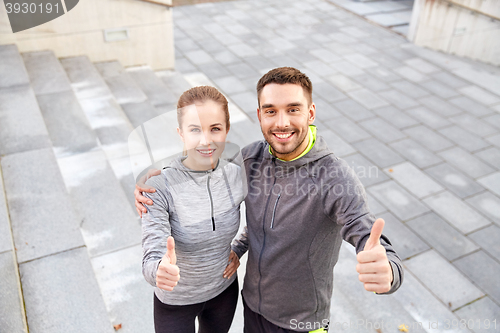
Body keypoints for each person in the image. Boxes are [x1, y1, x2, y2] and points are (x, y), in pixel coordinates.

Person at [136, 67, 403, 333]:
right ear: (260, 115)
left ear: (310, 113)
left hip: (303, 322)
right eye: (271, 110)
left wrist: (388, 271)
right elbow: (201, 162)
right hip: (251, 308)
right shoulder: (249, 160)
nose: (282, 122)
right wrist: (151, 179)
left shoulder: (334, 178)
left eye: (293, 109)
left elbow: (366, 232)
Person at [141, 86, 246, 333]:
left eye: (215, 129)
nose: (206, 140)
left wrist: (239, 248)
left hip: (223, 292)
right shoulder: (159, 187)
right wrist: (159, 270)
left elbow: (264, 215)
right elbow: (150, 255)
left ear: (227, 131)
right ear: (181, 133)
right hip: (175, 302)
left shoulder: (237, 176)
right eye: (195, 129)